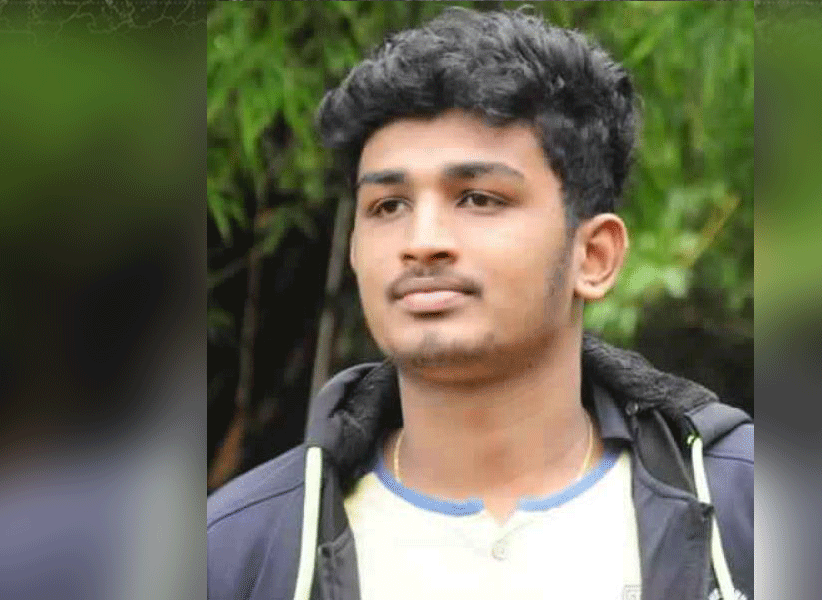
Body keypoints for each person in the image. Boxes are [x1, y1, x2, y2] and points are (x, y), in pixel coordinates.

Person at [207, 7, 752, 600]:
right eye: (388, 206)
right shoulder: (237, 552)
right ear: (356, 250)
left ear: (593, 256)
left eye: (478, 198)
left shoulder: (751, 514)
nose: (422, 242)